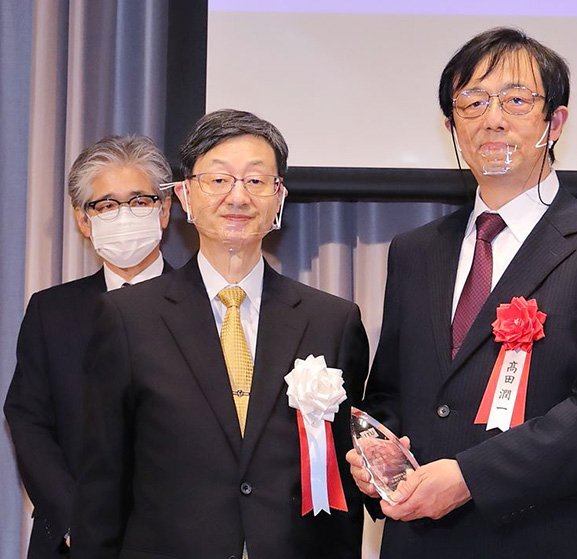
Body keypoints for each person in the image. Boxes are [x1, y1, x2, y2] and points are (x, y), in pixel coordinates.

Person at [347, 27, 577, 558]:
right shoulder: (415, 251)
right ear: (452, 126)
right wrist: (379, 452)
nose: (493, 118)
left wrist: (471, 476)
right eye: (472, 101)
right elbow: (392, 392)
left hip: (545, 540)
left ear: (554, 121)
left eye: (517, 100)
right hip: (419, 543)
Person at [71, 109, 369, 559]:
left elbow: (342, 490)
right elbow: (102, 482)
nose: (238, 196)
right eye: (218, 180)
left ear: (278, 197)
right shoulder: (127, 317)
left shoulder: (332, 320)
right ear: (186, 196)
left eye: (256, 181)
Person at [4, 135, 173, 558]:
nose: (125, 215)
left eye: (139, 201)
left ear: (165, 210)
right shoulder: (51, 310)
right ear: (83, 220)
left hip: (181, 537)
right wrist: (74, 517)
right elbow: (27, 419)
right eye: (107, 205)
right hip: (72, 541)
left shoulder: (207, 306)